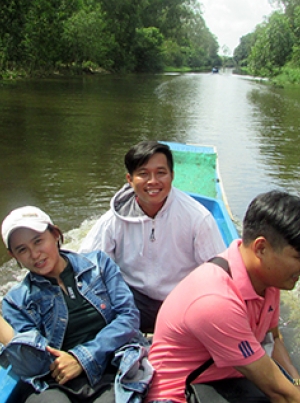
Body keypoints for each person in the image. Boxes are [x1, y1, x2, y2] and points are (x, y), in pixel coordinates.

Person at [145, 190, 300, 403]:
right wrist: (292, 392)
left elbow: (273, 338)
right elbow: (279, 392)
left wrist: (296, 382)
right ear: (261, 248)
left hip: (225, 384)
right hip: (180, 396)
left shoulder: (270, 283)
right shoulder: (215, 300)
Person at [0, 206, 152, 403]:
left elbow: (128, 317)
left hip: (113, 366)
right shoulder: (17, 300)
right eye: (22, 250)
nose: (35, 255)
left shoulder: (98, 265)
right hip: (55, 383)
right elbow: (32, 363)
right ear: (13, 256)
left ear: (55, 234)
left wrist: (81, 358)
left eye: (38, 241)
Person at [79, 141, 227, 333]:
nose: (153, 182)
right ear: (130, 180)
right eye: (143, 174)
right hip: (132, 300)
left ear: (172, 176)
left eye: (161, 173)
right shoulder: (113, 219)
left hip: (182, 302)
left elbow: (219, 272)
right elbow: (87, 265)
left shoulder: (197, 218)